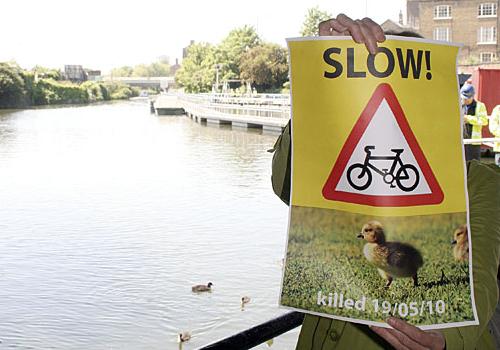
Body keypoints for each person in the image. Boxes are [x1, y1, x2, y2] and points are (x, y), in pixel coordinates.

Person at [271, 13, 500, 349]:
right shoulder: (337, 159)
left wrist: (446, 338)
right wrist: (319, 87)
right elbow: (285, 185)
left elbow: (479, 272)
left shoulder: (481, 182)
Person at [461, 83, 488, 161]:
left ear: (472, 97)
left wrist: (468, 119)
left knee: (474, 164)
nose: (465, 100)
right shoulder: (460, 105)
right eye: (463, 98)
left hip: (474, 143)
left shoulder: (480, 106)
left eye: (467, 98)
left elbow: (484, 120)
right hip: (461, 141)